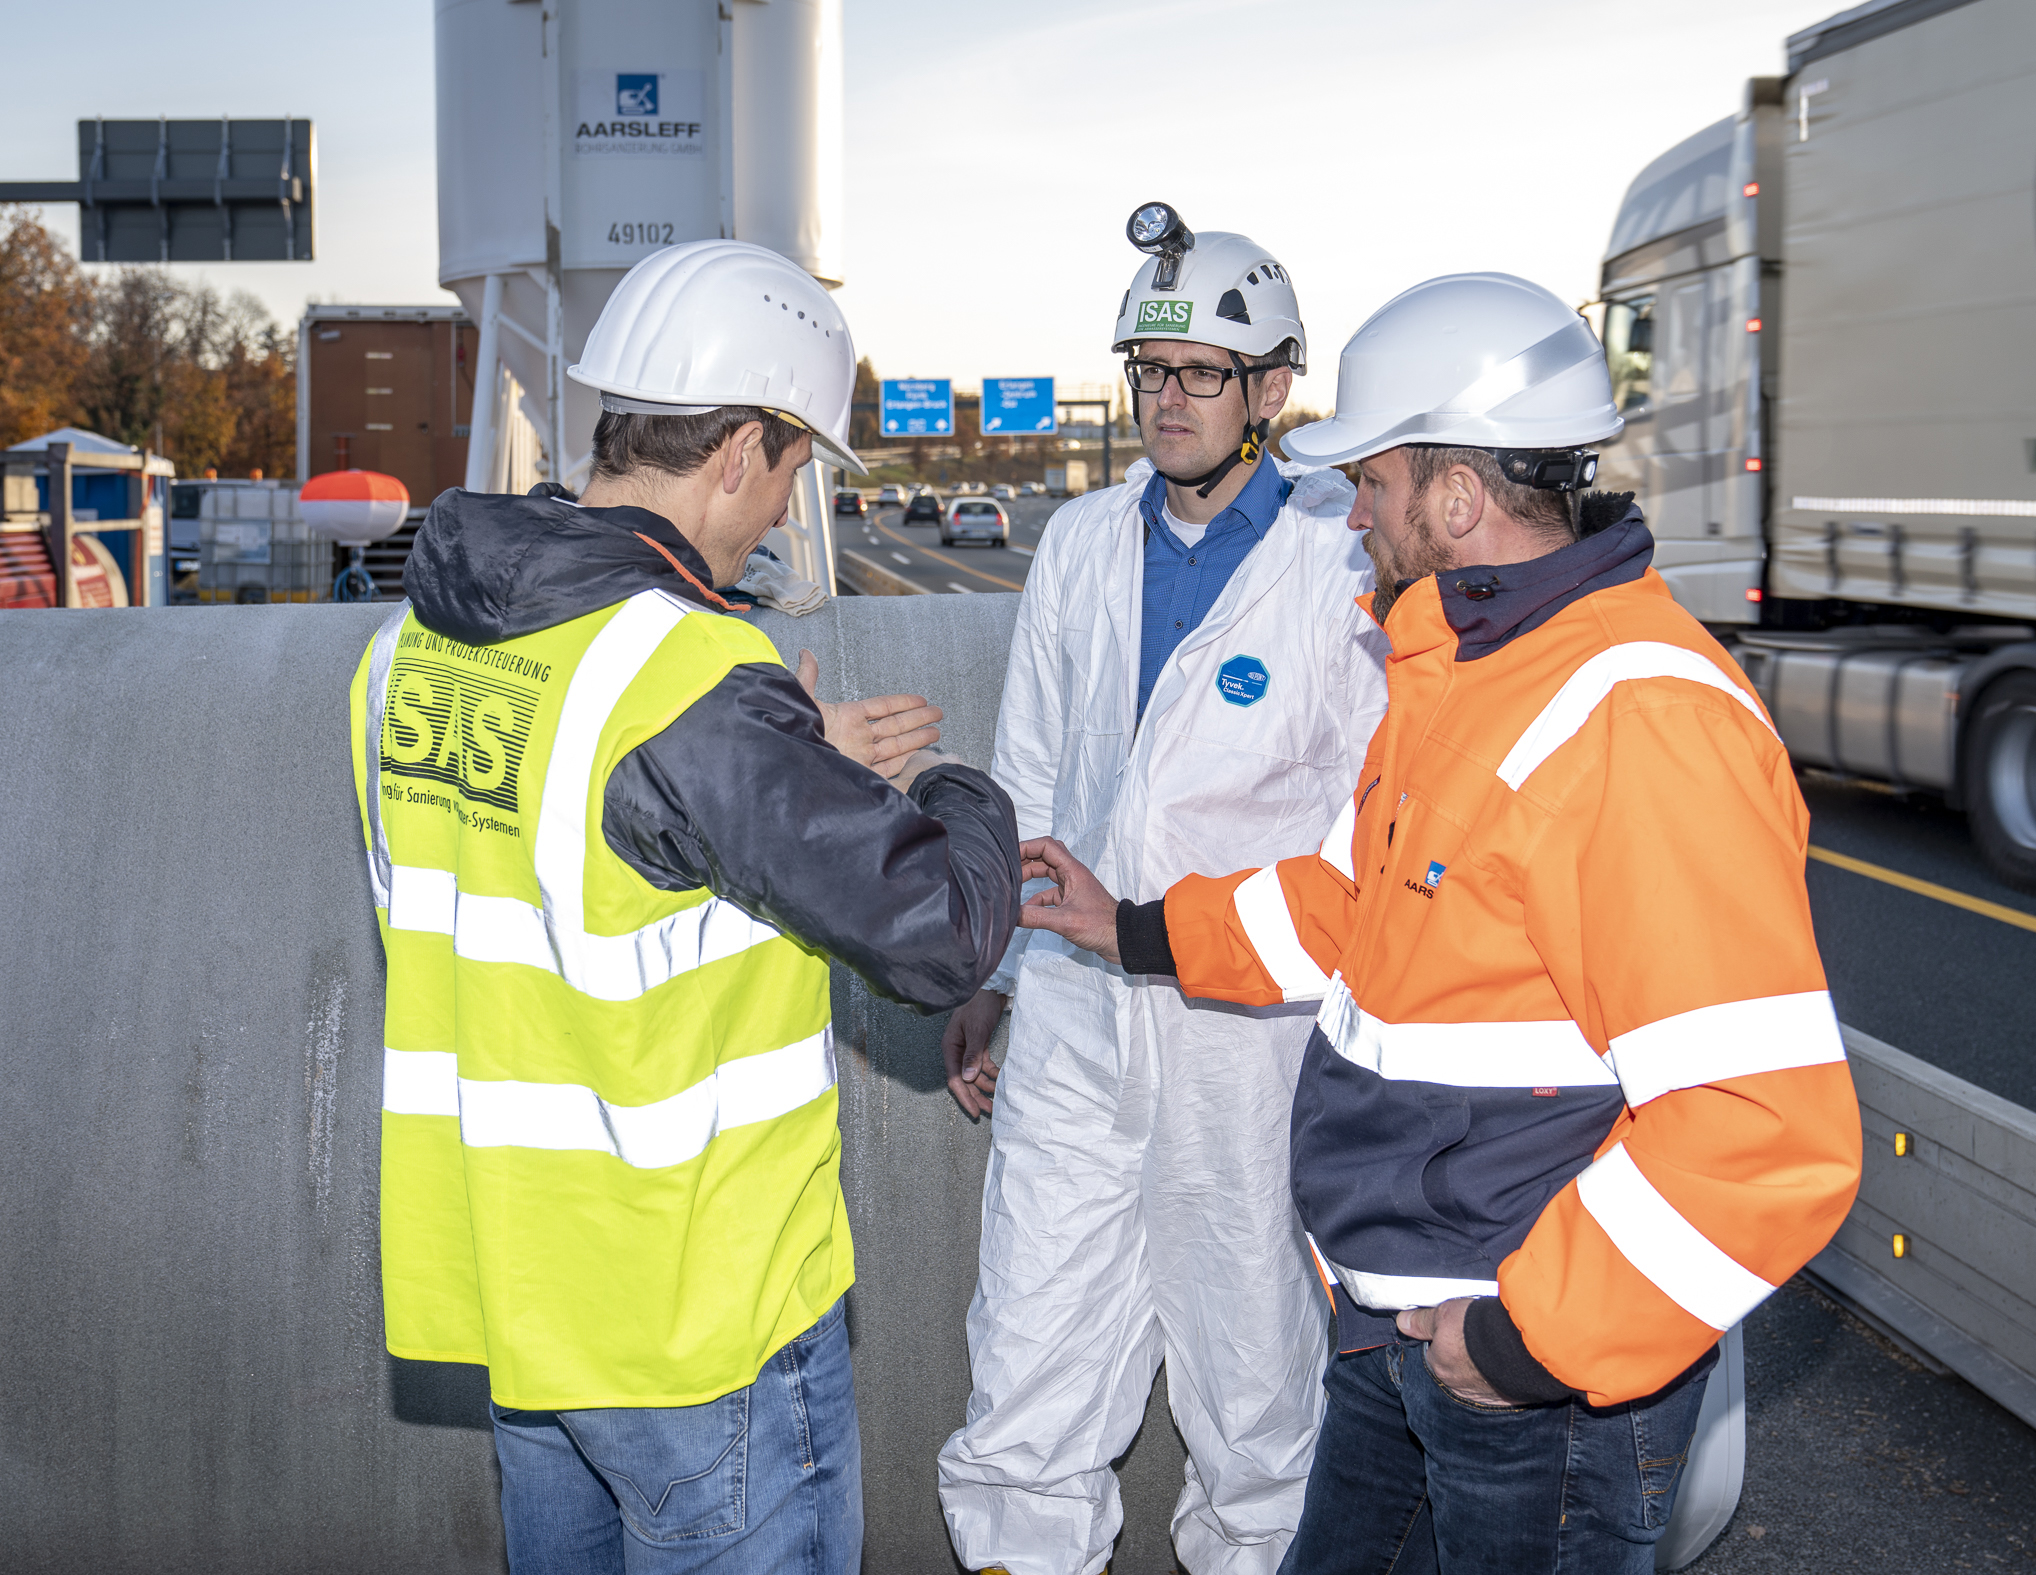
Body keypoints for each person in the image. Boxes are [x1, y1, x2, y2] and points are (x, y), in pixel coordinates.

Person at [1016, 272, 1863, 1573]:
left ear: (1456, 499)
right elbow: (1354, 917)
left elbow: (1759, 1127)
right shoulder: (1458, 675)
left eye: (1373, 480)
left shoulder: (1638, 720)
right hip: (1398, 1320)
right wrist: (1129, 928)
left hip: (1527, 1375)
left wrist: (1527, 1342)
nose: (1349, 511)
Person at [349, 239, 1023, 1575]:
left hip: (520, 1291)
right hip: (694, 1304)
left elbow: (584, 834)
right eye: (787, 472)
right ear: (738, 449)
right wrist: (955, 791)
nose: (779, 511)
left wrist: (784, 757)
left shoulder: (406, 648)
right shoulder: (693, 672)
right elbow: (940, 932)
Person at [934, 207, 1389, 1575]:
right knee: (1027, 1366)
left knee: (1255, 1395)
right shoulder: (1078, 542)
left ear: (1270, 391)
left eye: (1200, 374)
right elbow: (1026, 779)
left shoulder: (1342, 561)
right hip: (1074, 1013)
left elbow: (1365, 831)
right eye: (1150, 369)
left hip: (1242, 1038)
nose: (1167, 399)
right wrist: (991, 981)